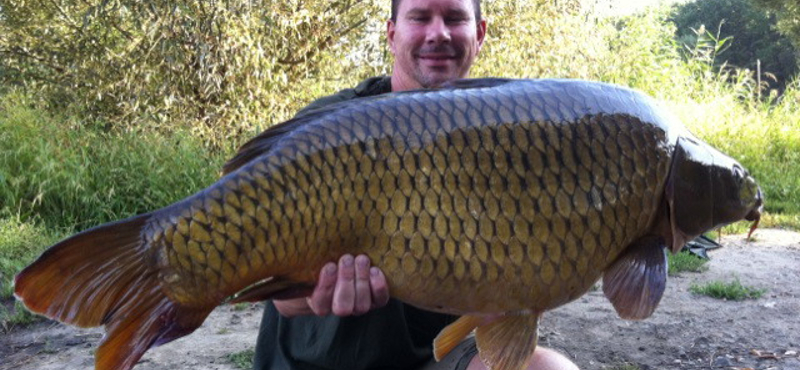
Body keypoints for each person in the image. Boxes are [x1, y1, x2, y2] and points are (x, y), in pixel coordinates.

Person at [252, 0, 580, 369]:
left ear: (480, 34)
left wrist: (510, 295)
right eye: (420, 17)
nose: (438, 33)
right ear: (392, 35)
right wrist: (310, 293)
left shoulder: (504, 138)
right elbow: (279, 293)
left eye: (454, 18)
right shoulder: (332, 129)